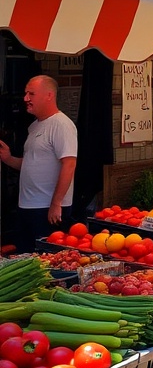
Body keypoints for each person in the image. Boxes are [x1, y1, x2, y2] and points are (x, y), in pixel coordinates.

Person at [0, 76, 78, 253]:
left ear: (49, 95)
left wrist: (56, 203)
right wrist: (8, 159)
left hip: (47, 209)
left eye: (31, 94)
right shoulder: (35, 126)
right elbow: (31, 164)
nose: (25, 98)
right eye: (26, 93)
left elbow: (69, 164)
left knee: (45, 259)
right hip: (28, 206)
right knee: (26, 255)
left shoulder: (61, 124)